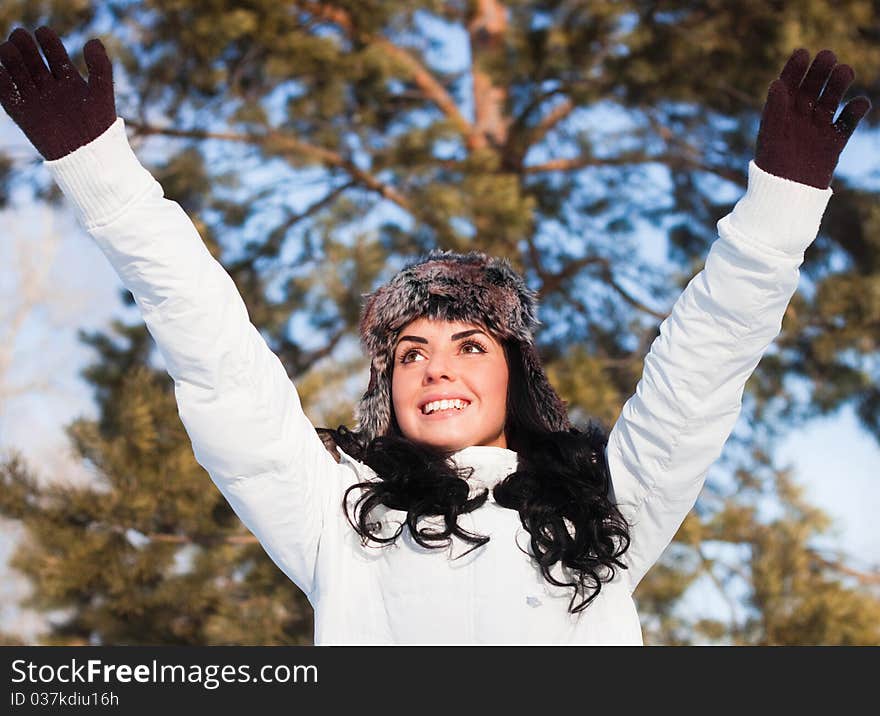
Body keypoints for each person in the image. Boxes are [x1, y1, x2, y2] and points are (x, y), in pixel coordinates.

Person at [0, 26, 871, 645]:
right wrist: (102, 176)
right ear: (389, 384)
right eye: (411, 351)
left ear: (513, 378)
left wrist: (778, 207)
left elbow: (701, 370)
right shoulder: (337, 514)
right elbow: (215, 353)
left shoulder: (606, 512)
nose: (435, 369)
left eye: (470, 345)